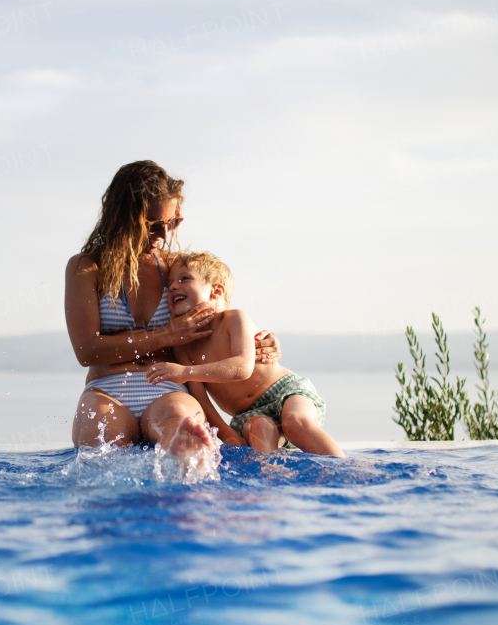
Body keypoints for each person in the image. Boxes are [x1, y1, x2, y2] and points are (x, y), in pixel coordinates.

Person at [65, 161, 281, 459]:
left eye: (173, 223)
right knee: (102, 449)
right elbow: (87, 350)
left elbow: (220, 320)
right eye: (154, 225)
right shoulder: (87, 267)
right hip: (107, 391)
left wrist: (261, 340)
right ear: (124, 217)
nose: (165, 235)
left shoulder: (178, 270)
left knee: (178, 426)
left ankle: (184, 464)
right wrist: (165, 335)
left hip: (169, 390)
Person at [145, 251, 344, 456]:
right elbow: (202, 402)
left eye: (184, 278)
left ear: (216, 291)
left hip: (286, 391)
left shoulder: (234, 319)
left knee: (294, 422)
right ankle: (269, 478)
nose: (173, 286)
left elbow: (242, 367)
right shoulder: (183, 347)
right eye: (170, 284)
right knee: (260, 429)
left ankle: (344, 469)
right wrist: (228, 434)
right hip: (248, 414)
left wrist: (185, 372)